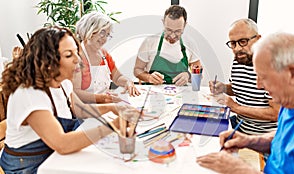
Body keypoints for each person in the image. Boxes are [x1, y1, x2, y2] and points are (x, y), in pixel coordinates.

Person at [0, 26, 138, 173]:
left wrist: (113, 107)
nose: (78, 60)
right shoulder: (30, 94)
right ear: (47, 61)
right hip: (26, 167)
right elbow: (62, 144)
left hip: (52, 158)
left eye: (76, 53)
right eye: (68, 55)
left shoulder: (63, 83)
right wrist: (114, 125)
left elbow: (80, 109)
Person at [197, 32, 294, 174]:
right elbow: (283, 139)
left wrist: (239, 169)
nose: (258, 86)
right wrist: (250, 141)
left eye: (264, 77)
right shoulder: (289, 103)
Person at [209, 19, 280, 135]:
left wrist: (235, 107)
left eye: (243, 41)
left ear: (258, 39)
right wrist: (224, 88)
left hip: (264, 137)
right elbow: (240, 89)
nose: (237, 49)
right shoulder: (239, 60)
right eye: (233, 43)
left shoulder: (274, 67)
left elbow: (276, 113)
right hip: (239, 127)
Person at [74, 12, 140, 104]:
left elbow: (117, 77)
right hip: (84, 111)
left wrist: (128, 82)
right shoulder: (76, 56)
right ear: (89, 30)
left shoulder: (104, 54)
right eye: (102, 33)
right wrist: (102, 98)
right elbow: (75, 93)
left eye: (107, 35)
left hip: (103, 106)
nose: (104, 39)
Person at [134, 5, 201, 86]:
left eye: (178, 31)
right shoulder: (150, 41)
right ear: (163, 22)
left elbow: (199, 74)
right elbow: (137, 70)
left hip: (181, 96)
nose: (172, 36)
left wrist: (189, 75)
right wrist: (149, 77)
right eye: (168, 30)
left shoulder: (190, 43)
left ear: (185, 25)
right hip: (154, 94)